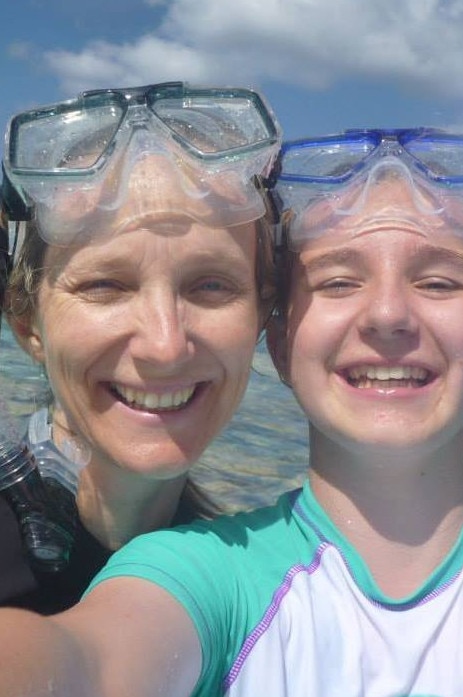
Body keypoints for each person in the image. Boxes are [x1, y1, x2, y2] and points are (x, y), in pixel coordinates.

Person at [1, 127, 463, 697]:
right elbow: (84, 664)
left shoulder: (195, 536)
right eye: (339, 281)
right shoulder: (205, 573)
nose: (389, 315)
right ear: (279, 337)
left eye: (439, 282)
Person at [0, 81, 281, 613]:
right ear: (27, 323)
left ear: (261, 316)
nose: (166, 345)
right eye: (105, 285)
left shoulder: (244, 575)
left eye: (211, 285)